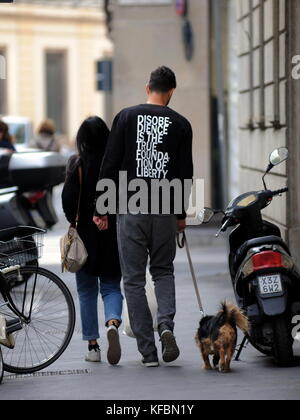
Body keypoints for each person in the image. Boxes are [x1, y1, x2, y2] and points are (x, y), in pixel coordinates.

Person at [94, 66, 194, 367]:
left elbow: (110, 164)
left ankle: (148, 353)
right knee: (163, 271)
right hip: (164, 209)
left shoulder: (125, 117)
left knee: (134, 280)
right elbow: (185, 174)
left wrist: (101, 207)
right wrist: (180, 215)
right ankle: (165, 326)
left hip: (131, 208)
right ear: (171, 92)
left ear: (146, 87)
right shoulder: (181, 124)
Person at [62, 116, 123, 365]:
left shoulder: (77, 164)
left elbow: (68, 201)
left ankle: (93, 346)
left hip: (84, 236)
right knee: (111, 286)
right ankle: (112, 322)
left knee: (86, 292)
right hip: (112, 234)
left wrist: (76, 221)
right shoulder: (116, 165)